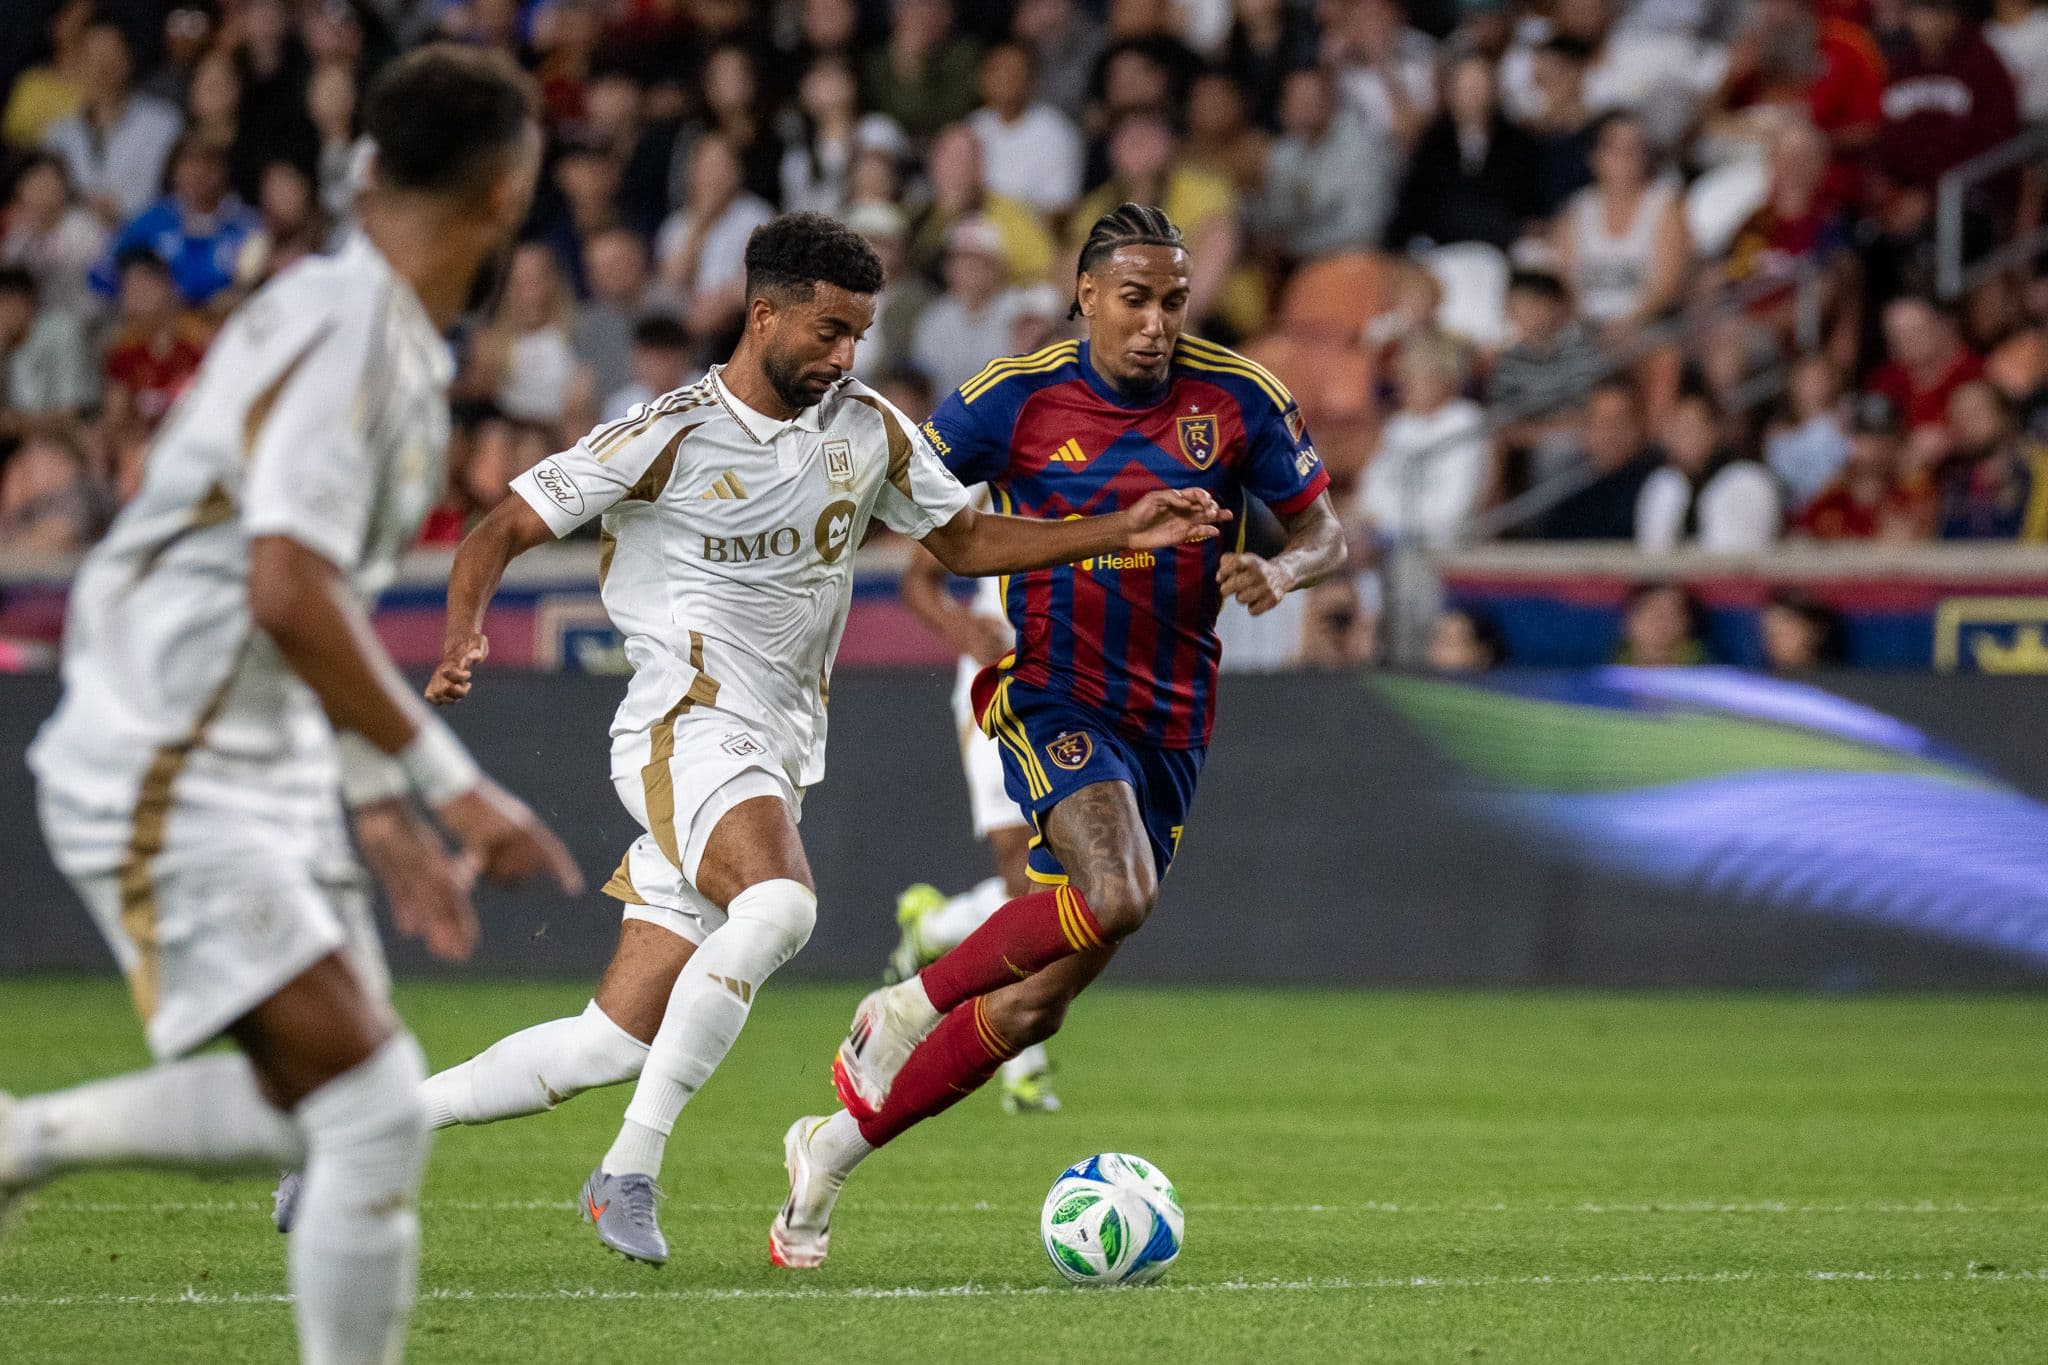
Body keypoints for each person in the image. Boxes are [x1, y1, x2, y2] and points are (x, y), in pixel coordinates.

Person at [292, 211, 1225, 1269]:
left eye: (858, 336)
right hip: (684, 724)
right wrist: (464, 630)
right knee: (781, 903)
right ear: (761, 312)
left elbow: (962, 539)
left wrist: (1118, 528)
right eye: (826, 331)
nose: (841, 357)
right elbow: (502, 524)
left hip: (774, 746)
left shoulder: (867, 428)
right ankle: (628, 1173)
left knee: (608, 1042)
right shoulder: (670, 432)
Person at [1, 47, 579, 1365]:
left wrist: (376, 810)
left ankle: (24, 1141)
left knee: (312, 1101)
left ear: (370, 167)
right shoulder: (353, 336)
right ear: (509, 198)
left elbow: (295, 595)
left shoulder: (357, 324)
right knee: (372, 1104)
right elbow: (283, 590)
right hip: (169, 746)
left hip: (233, 746)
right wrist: (455, 789)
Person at [771, 204, 1345, 1268]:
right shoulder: (1010, 399)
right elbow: (924, 525)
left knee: (1036, 1007)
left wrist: (1280, 567)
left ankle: (831, 1153)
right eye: (1133, 299)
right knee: (1120, 894)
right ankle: (902, 1002)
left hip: (1171, 720)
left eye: (1172, 300)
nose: (1155, 323)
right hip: (1053, 689)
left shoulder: (1240, 399)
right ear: (1084, 295)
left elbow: (1323, 530)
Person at [888, 520, 1063, 1117]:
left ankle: (936, 927)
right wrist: (966, 633)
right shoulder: (995, 456)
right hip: (1003, 684)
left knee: (1075, 882)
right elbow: (918, 578)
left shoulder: (1115, 458)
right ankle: (1024, 1065)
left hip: (1080, 680)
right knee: (1023, 871)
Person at [1636, 390, 1782, 551]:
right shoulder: (1664, 484)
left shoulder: (1747, 479)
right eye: (1678, 427)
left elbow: (1738, 557)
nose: (1686, 436)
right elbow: (1653, 552)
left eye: (1693, 426)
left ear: (1716, 430)